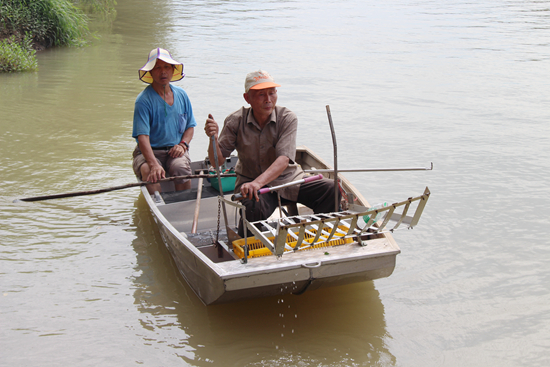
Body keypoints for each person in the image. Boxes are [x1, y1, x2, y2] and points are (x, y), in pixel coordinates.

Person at [204, 70, 339, 236]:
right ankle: (247, 246)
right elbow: (216, 162)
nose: (268, 100)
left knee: (331, 189)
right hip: (251, 183)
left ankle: (322, 236)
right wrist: (213, 138)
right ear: (247, 98)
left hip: (288, 180)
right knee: (251, 206)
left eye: (272, 93)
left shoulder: (287, 118)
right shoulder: (235, 121)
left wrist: (258, 183)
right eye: (261, 95)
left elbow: (283, 160)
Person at [132, 48, 197, 194]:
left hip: (175, 150)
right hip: (149, 152)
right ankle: (158, 206)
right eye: (157, 68)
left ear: (173, 70)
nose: (163, 72)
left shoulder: (182, 95)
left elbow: (190, 127)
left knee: (181, 168)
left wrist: (183, 144)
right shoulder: (143, 100)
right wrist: (153, 163)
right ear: (151, 72)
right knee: (149, 171)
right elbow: (142, 138)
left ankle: (183, 203)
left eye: (167, 67)